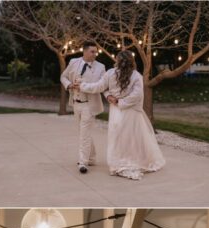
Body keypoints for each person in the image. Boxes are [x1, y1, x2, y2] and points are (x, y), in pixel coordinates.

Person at [78, 50, 165, 181]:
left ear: (117, 60)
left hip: (118, 111)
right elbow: (137, 96)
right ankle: (133, 160)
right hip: (130, 111)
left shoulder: (110, 73)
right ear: (132, 61)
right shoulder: (136, 76)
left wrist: (82, 86)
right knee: (133, 138)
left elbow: (97, 87)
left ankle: (119, 161)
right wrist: (113, 98)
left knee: (117, 137)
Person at [60, 42, 106, 174]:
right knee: (83, 132)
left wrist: (84, 86)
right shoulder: (74, 62)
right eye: (92, 51)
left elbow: (100, 86)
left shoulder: (101, 67)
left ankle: (83, 162)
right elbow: (63, 76)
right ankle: (91, 158)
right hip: (76, 103)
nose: (95, 54)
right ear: (84, 52)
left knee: (84, 133)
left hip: (89, 105)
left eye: (95, 52)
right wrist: (69, 85)